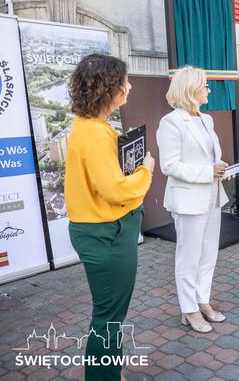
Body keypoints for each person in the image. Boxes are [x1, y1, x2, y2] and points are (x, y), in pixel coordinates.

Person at [64, 54, 154, 380]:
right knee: (109, 316)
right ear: (108, 88)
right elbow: (115, 190)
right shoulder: (96, 133)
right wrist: (146, 171)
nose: (129, 87)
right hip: (107, 232)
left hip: (102, 229)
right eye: (125, 82)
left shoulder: (88, 126)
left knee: (109, 313)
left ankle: (109, 371)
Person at [156, 67, 232, 333]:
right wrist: (207, 171)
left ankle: (203, 300)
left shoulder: (206, 119)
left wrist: (220, 167)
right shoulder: (171, 122)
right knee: (188, 256)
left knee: (209, 254)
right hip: (188, 200)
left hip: (212, 196)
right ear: (190, 89)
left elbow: (209, 157)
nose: (208, 89)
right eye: (205, 86)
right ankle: (188, 309)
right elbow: (170, 165)